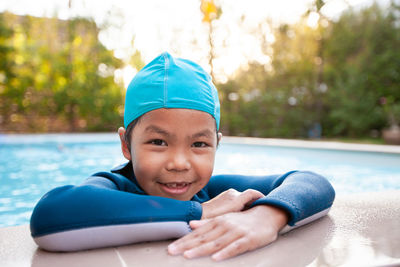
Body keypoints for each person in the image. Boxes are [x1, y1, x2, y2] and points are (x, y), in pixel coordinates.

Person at [30, 52, 335, 261]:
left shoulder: (212, 189)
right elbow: (51, 214)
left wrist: (266, 217)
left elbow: (312, 182)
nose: (179, 162)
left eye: (199, 145)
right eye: (159, 142)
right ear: (126, 145)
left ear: (217, 144)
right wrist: (197, 213)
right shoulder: (113, 186)